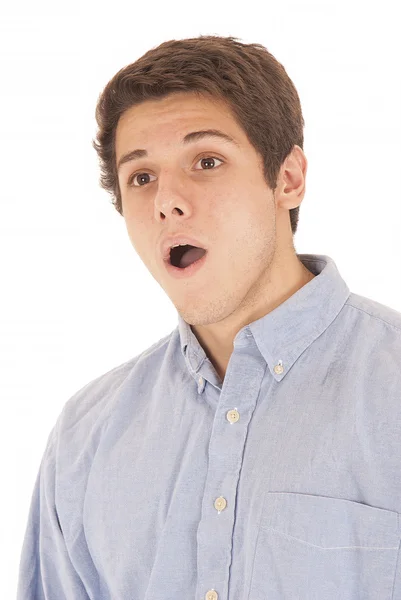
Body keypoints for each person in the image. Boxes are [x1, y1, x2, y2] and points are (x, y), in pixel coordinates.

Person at [17, 35, 401, 600]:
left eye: (207, 161)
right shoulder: (85, 438)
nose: (166, 201)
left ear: (287, 179)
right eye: (141, 177)